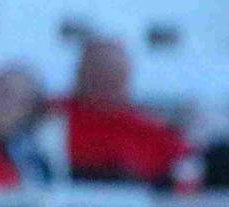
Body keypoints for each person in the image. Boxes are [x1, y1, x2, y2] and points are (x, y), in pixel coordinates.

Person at [61, 36, 191, 187]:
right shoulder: (53, 120)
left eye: (112, 73)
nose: (104, 80)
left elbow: (187, 171)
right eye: (97, 71)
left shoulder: (154, 132)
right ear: (80, 74)